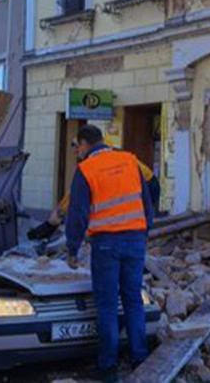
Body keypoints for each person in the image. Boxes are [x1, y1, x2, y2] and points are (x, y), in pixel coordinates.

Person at [65, 125, 153, 382]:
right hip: (135, 239)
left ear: (84, 144)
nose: (77, 152)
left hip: (106, 243)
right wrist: (143, 233)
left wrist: (72, 248)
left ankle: (108, 366)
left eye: (77, 147)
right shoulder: (129, 160)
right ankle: (139, 357)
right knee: (133, 300)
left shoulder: (86, 170)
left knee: (106, 305)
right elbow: (146, 202)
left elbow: (78, 213)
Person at [27, 152, 159, 241]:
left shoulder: (96, 163)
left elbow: (75, 193)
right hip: (148, 181)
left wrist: (58, 214)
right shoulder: (111, 155)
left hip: (148, 184)